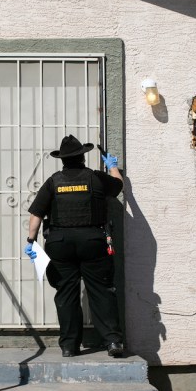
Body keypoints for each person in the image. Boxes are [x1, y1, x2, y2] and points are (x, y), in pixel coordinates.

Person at [25, 134, 125, 358]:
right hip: (93, 242)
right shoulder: (96, 178)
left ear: (63, 160)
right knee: (101, 291)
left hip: (59, 244)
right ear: (82, 157)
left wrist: (30, 242)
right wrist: (113, 167)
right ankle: (113, 342)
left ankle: (69, 346)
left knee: (66, 294)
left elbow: (36, 214)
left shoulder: (53, 181)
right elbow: (118, 185)